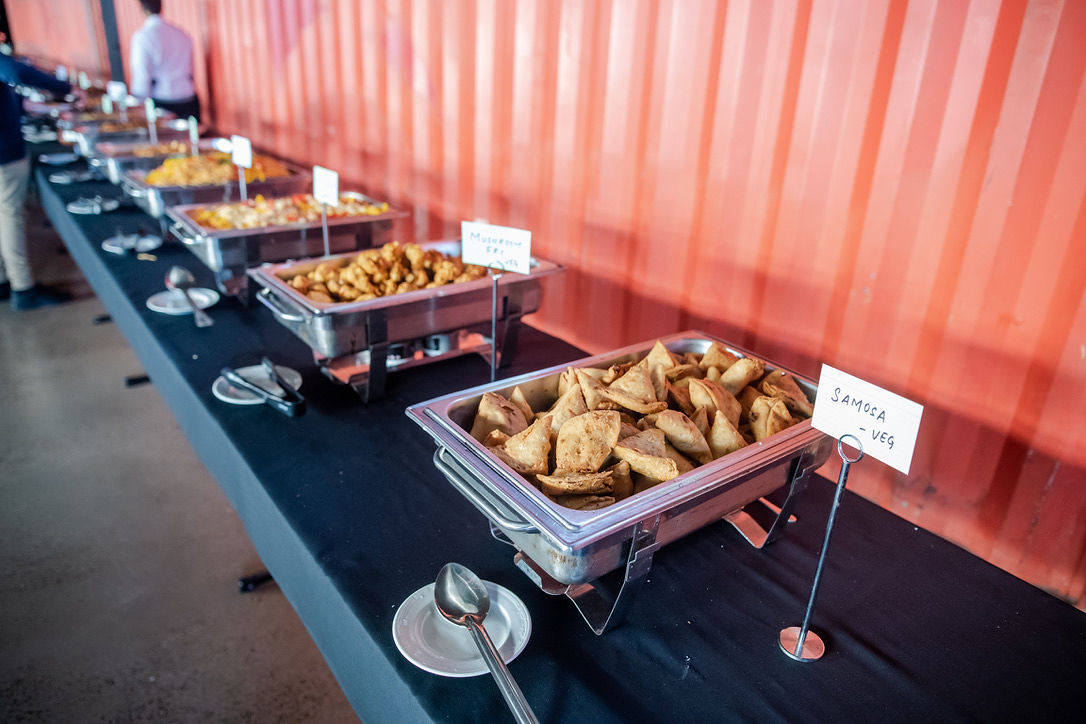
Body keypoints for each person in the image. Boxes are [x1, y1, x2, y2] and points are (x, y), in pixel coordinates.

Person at [0, 54, 74, 310]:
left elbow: (13, 95)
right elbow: (16, 72)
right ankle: (23, 289)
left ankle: (4, 280)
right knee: (10, 216)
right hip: (4, 153)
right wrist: (67, 88)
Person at [128, 0, 199, 121]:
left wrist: (137, 103)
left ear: (142, 8)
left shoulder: (142, 37)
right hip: (188, 97)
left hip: (162, 102)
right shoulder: (181, 33)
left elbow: (142, 74)